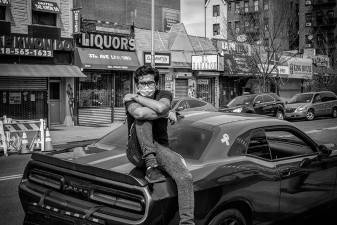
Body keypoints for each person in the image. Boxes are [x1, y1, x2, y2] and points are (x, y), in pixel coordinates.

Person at [123, 65, 195, 225]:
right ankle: (150, 164)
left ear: (156, 84)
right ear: (137, 85)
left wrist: (138, 98)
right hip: (136, 150)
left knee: (185, 177)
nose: (146, 86)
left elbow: (162, 106)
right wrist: (163, 112)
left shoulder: (162, 94)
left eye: (150, 83)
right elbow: (139, 113)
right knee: (143, 118)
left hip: (160, 149)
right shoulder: (129, 101)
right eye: (142, 83)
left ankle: (187, 222)